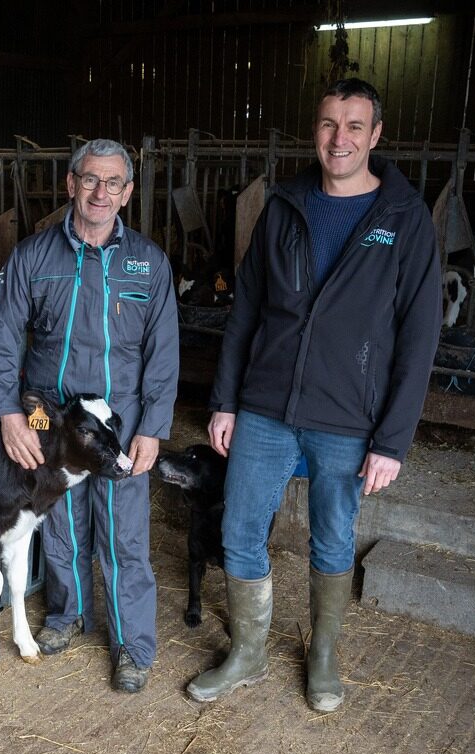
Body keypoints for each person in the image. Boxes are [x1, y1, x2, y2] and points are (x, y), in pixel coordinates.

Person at [189, 79, 441, 711]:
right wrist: (224, 400)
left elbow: (419, 336)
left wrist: (392, 440)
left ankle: (323, 656)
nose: (340, 138)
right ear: (315, 132)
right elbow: (246, 308)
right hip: (266, 406)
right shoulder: (285, 206)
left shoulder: (404, 219)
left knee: (331, 540)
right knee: (242, 531)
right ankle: (247, 653)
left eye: (355, 126)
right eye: (329, 124)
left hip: (349, 415)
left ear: (376, 136)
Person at [0, 139, 179, 693]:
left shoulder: (149, 262)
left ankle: (132, 646)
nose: (100, 192)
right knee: (60, 523)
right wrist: (9, 413)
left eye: (112, 182)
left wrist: (153, 428)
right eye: (89, 179)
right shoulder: (33, 256)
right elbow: (2, 336)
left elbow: (164, 352)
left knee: (124, 537)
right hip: (55, 425)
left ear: (128, 193)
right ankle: (68, 617)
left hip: (121, 427)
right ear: (71, 184)